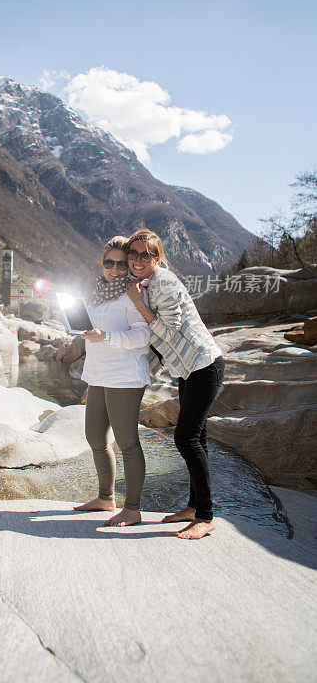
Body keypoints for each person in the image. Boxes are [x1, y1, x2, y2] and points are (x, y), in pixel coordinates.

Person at [125, 228, 225, 540]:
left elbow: (169, 332)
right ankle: (195, 507)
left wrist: (139, 304)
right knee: (199, 438)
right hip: (188, 370)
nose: (139, 259)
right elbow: (159, 346)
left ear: (157, 257)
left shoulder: (163, 283)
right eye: (134, 253)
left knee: (186, 438)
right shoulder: (147, 285)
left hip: (203, 366)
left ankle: (206, 516)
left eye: (147, 254)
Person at [74, 236, 150, 527]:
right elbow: (96, 328)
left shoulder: (133, 293)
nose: (115, 269)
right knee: (95, 437)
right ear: (102, 264)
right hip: (98, 373)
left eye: (121, 263)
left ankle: (133, 509)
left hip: (125, 376)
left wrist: (106, 337)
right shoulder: (98, 292)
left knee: (128, 443)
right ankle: (106, 498)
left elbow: (143, 336)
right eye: (109, 263)